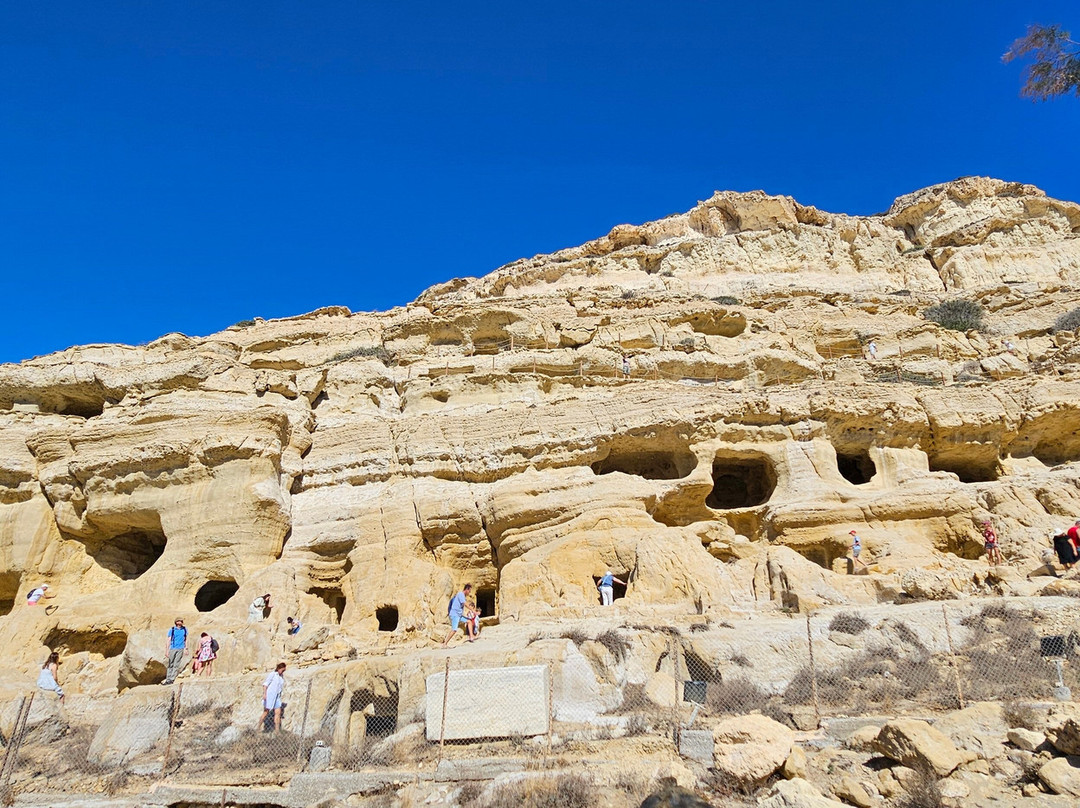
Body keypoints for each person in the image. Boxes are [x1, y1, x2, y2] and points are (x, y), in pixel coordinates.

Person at [258, 662, 286, 732]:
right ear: (279, 668)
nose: (283, 672)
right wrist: (265, 694)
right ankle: (258, 728)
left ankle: (277, 731)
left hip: (277, 697)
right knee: (266, 712)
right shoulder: (272, 674)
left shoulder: (281, 677)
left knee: (278, 713)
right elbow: (265, 684)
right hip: (270, 696)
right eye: (282, 670)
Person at [163, 618, 188, 685]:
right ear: (176, 622)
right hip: (173, 648)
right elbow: (169, 640)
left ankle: (172, 679)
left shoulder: (184, 629)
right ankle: (168, 679)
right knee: (171, 664)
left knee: (176, 664)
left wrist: (186, 648)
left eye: (181, 621)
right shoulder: (172, 629)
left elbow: (185, 639)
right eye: (179, 621)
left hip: (180, 648)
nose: (180, 622)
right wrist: (167, 650)